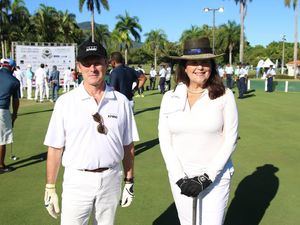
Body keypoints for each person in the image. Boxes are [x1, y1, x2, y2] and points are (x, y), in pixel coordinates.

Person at [44, 40, 138, 224]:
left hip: (111, 178)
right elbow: (55, 148)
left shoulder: (121, 101)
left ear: (106, 64)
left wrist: (129, 181)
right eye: (87, 63)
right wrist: (50, 187)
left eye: (97, 63)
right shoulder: (65, 102)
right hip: (77, 180)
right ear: (79, 67)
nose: (92, 68)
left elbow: (128, 146)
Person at [158, 37, 238, 225]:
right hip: (181, 177)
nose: (200, 67)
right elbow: (165, 140)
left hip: (216, 177)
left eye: (205, 62)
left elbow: (230, 139)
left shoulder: (225, 95)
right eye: (194, 62)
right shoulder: (170, 97)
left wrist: (207, 177)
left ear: (212, 66)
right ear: (184, 67)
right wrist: (179, 177)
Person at [0, 59, 20, 173]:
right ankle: (1, 165)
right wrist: (15, 114)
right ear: (12, 68)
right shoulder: (14, 81)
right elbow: (16, 101)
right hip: (2, 110)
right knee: (1, 139)